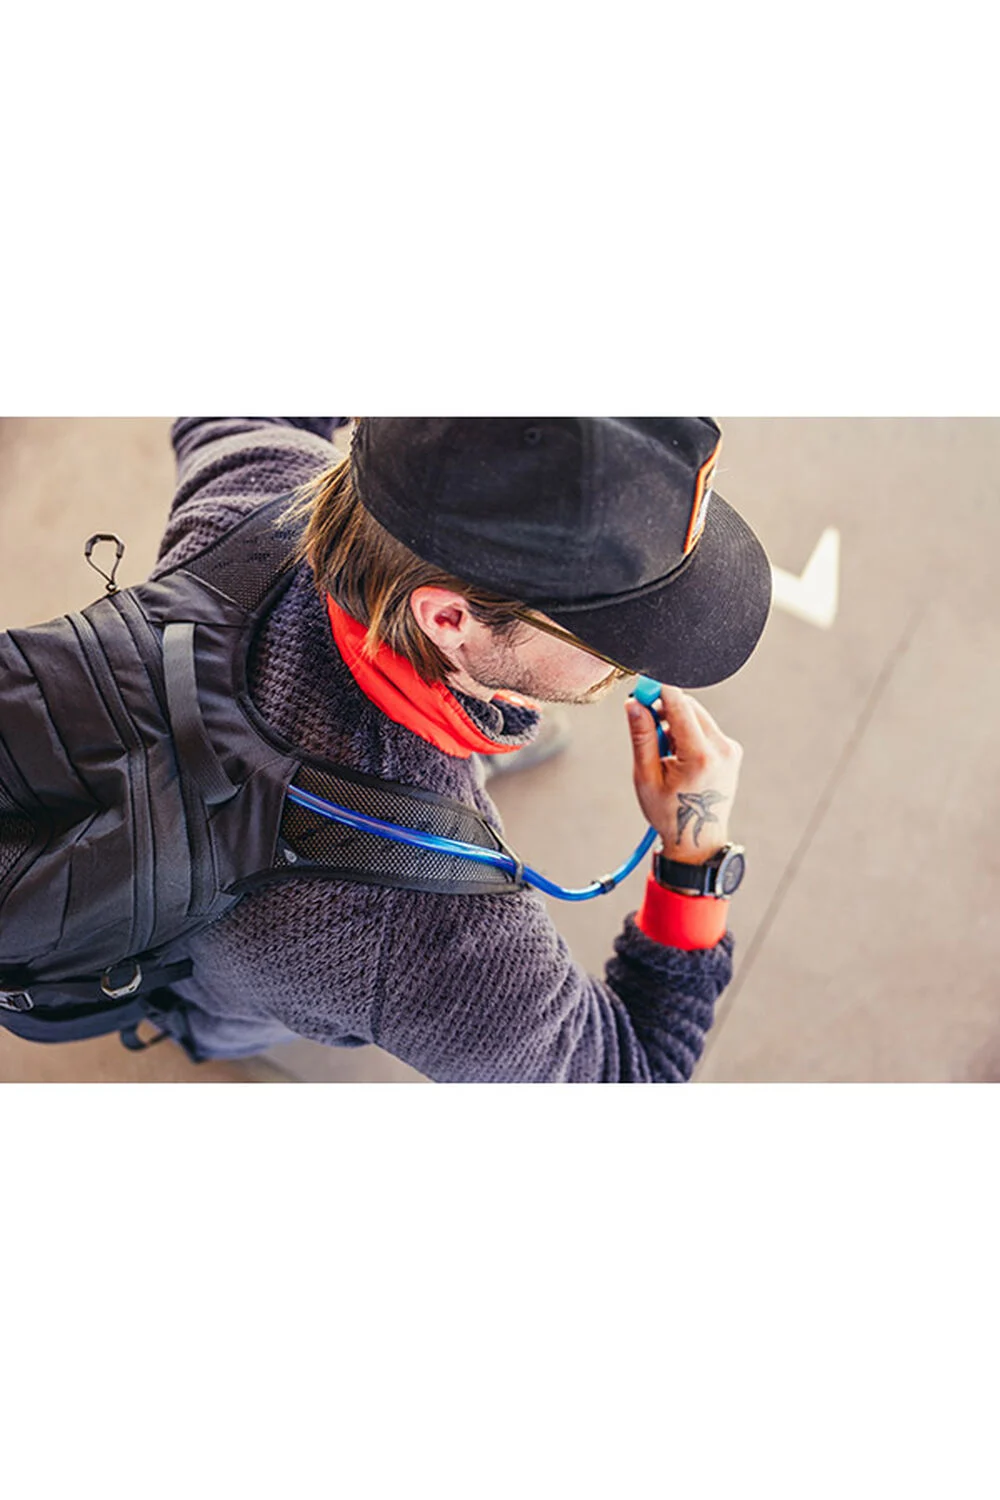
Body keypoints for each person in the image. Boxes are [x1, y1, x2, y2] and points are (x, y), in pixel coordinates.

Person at [152, 417, 771, 1081]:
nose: (639, 664)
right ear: (448, 619)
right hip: (201, 972)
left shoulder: (253, 483)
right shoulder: (416, 932)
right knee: (228, 1016)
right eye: (612, 640)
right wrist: (694, 854)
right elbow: (631, 1072)